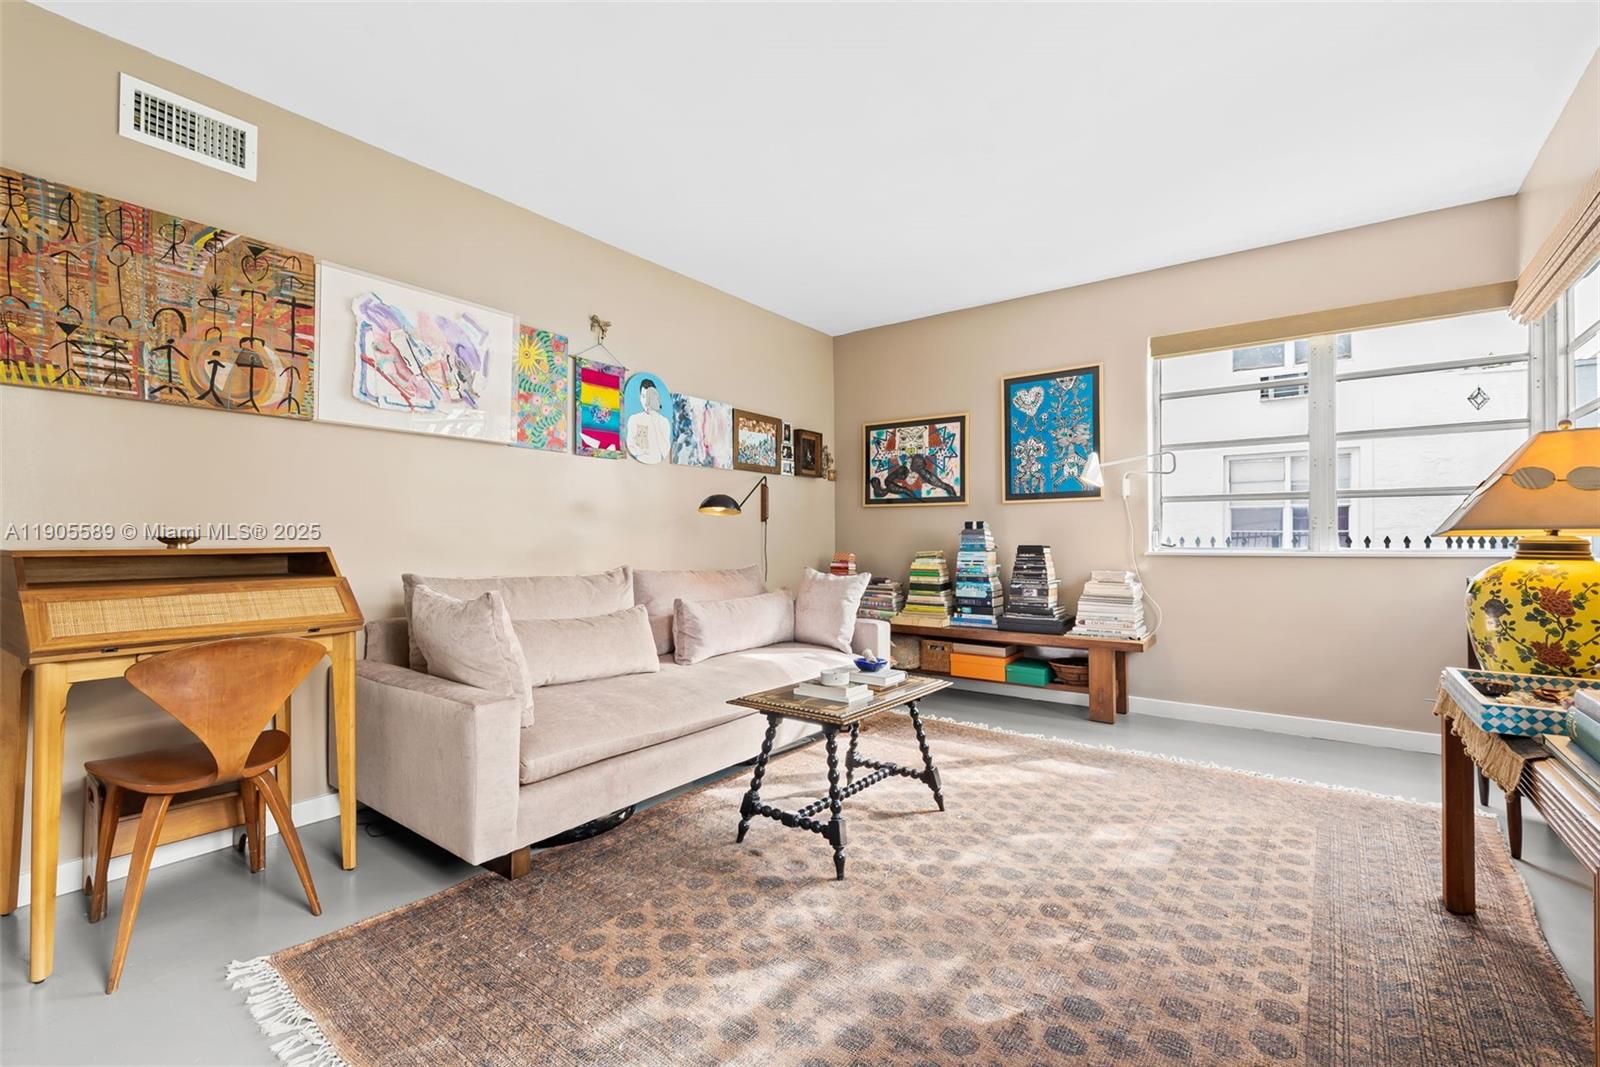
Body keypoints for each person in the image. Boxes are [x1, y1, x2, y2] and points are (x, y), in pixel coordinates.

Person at [626, 378, 671, 463]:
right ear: (640, 397)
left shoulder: (664, 422)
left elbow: (665, 451)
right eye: (643, 396)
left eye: (649, 397)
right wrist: (643, 451)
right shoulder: (634, 419)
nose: (646, 402)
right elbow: (631, 446)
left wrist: (655, 420)